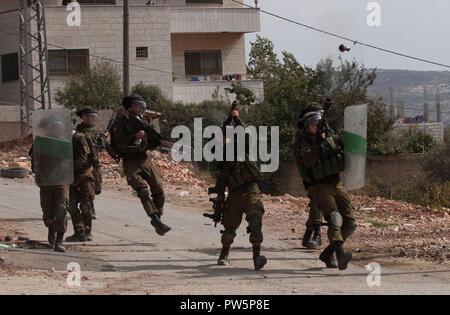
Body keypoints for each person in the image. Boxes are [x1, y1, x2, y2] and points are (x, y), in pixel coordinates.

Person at [297, 104, 357, 270]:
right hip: (320, 186)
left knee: (351, 223)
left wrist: (328, 139)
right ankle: (340, 253)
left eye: (317, 125)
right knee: (334, 219)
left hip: (337, 183)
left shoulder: (331, 138)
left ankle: (328, 253)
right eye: (312, 125)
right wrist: (319, 143)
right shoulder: (305, 143)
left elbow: (345, 150)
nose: (314, 128)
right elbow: (308, 160)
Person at [211, 107, 267, 270]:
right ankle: (224, 254)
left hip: (251, 189)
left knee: (255, 221)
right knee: (229, 228)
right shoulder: (219, 154)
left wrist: (238, 120)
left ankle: (257, 257)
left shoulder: (244, 145)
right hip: (234, 193)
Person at [110, 95, 171, 236]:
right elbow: (120, 144)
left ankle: (157, 217)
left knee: (159, 189)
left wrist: (152, 140)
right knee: (142, 190)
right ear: (129, 106)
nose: (140, 107)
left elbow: (151, 140)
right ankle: (155, 219)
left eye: (140, 105)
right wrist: (135, 137)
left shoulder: (141, 121)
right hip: (130, 160)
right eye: (137, 105)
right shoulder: (119, 123)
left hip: (144, 159)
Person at [30, 114, 72, 252]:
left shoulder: (65, 142)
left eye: (58, 126)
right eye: (53, 126)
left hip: (61, 180)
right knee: (48, 212)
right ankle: (51, 229)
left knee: (61, 209)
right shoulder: (41, 143)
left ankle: (60, 239)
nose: (56, 129)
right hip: (46, 181)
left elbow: (74, 159)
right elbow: (34, 161)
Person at [66, 108, 100, 242]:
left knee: (86, 205)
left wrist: (71, 169)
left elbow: (84, 158)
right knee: (71, 205)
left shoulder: (79, 137)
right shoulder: (60, 139)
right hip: (69, 176)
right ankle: (79, 232)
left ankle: (87, 232)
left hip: (84, 174)